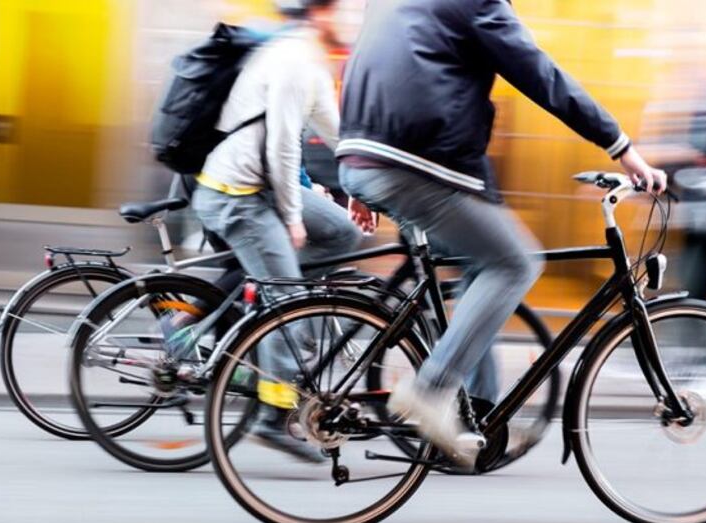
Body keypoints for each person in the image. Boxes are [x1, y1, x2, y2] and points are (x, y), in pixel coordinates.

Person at [337, 0, 667, 466]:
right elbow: (541, 76)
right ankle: (430, 391)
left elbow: (364, 70)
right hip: (415, 162)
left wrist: (361, 171)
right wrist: (622, 147)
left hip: (364, 155)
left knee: (483, 266)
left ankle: (480, 419)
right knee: (515, 262)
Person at [176, 0, 365, 461]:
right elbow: (281, 145)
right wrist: (293, 216)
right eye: (352, 8)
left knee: (343, 233)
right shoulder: (294, 58)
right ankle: (271, 413)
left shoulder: (315, 63)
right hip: (235, 195)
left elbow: (341, 136)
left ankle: (269, 301)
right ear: (321, 13)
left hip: (259, 192)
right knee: (289, 297)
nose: (358, 19)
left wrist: (365, 188)